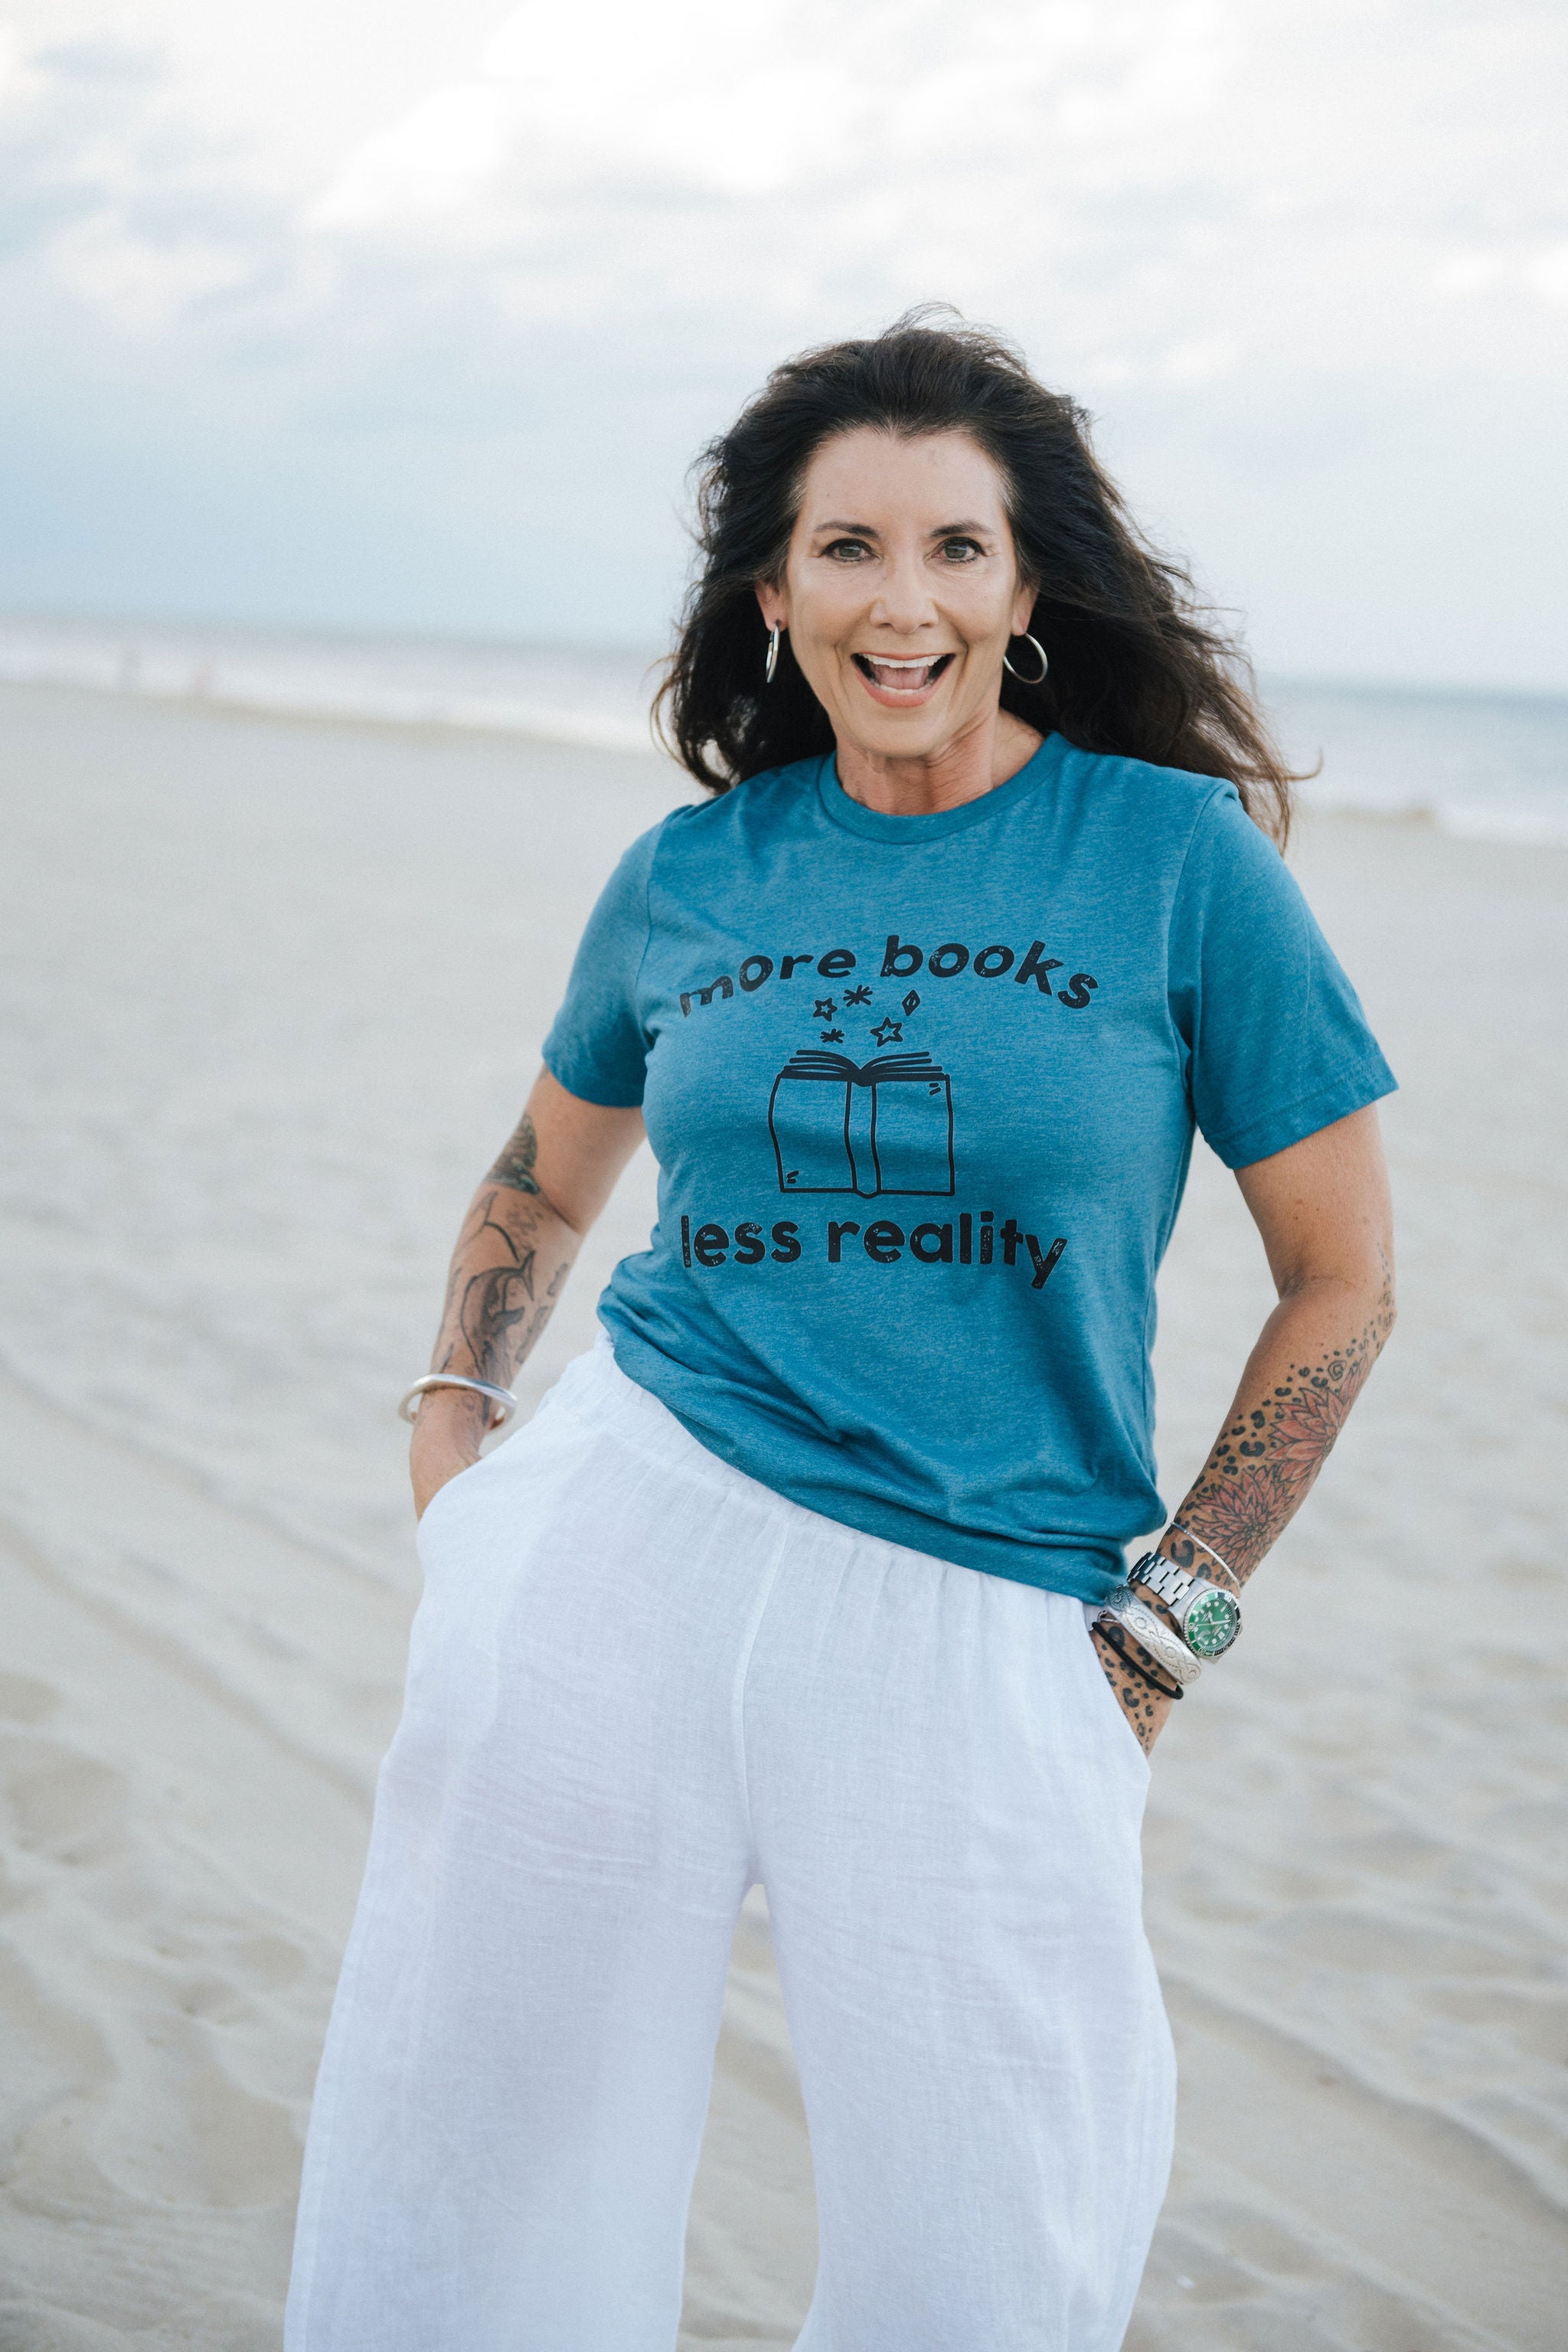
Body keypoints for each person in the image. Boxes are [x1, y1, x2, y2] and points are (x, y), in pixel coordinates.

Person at [285, 315, 1396, 2352]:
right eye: (849, 548)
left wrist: (1176, 1620)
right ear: (773, 595)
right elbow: (541, 1176)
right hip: (630, 1528)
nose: (906, 603)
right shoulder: (689, 874)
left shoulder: (1174, 864)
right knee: (482, 2139)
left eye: (957, 548)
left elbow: (1343, 1276)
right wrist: (458, 1412)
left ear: (1027, 591)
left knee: (996, 2243)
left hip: (991, 1601)